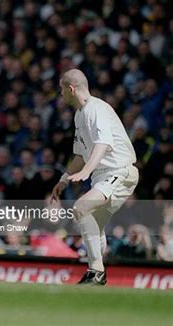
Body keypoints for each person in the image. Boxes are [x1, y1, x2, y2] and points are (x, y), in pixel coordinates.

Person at [50, 69, 138, 285]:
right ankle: (97, 271)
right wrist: (63, 178)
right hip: (103, 177)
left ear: (71, 89)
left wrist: (86, 171)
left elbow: (103, 144)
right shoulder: (80, 114)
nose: (61, 94)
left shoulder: (95, 109)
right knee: (91, 224)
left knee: (81, 207)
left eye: (62, 89)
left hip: (120, 172)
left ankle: (96, 271)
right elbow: (81, 154)